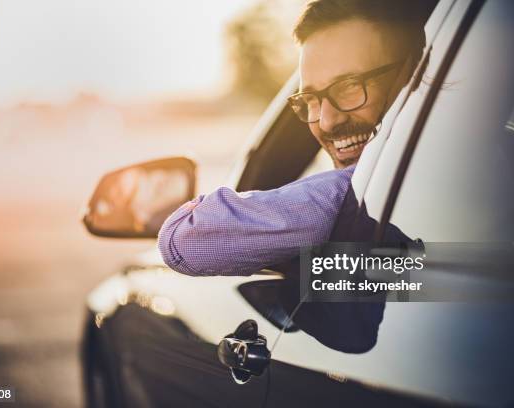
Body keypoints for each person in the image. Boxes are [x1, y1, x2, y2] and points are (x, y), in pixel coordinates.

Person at [158, 0, 433, 277]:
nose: (326, 121)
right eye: (310, 99)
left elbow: (185, 239)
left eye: (350, 86)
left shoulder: (377, 191)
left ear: (412, 77)